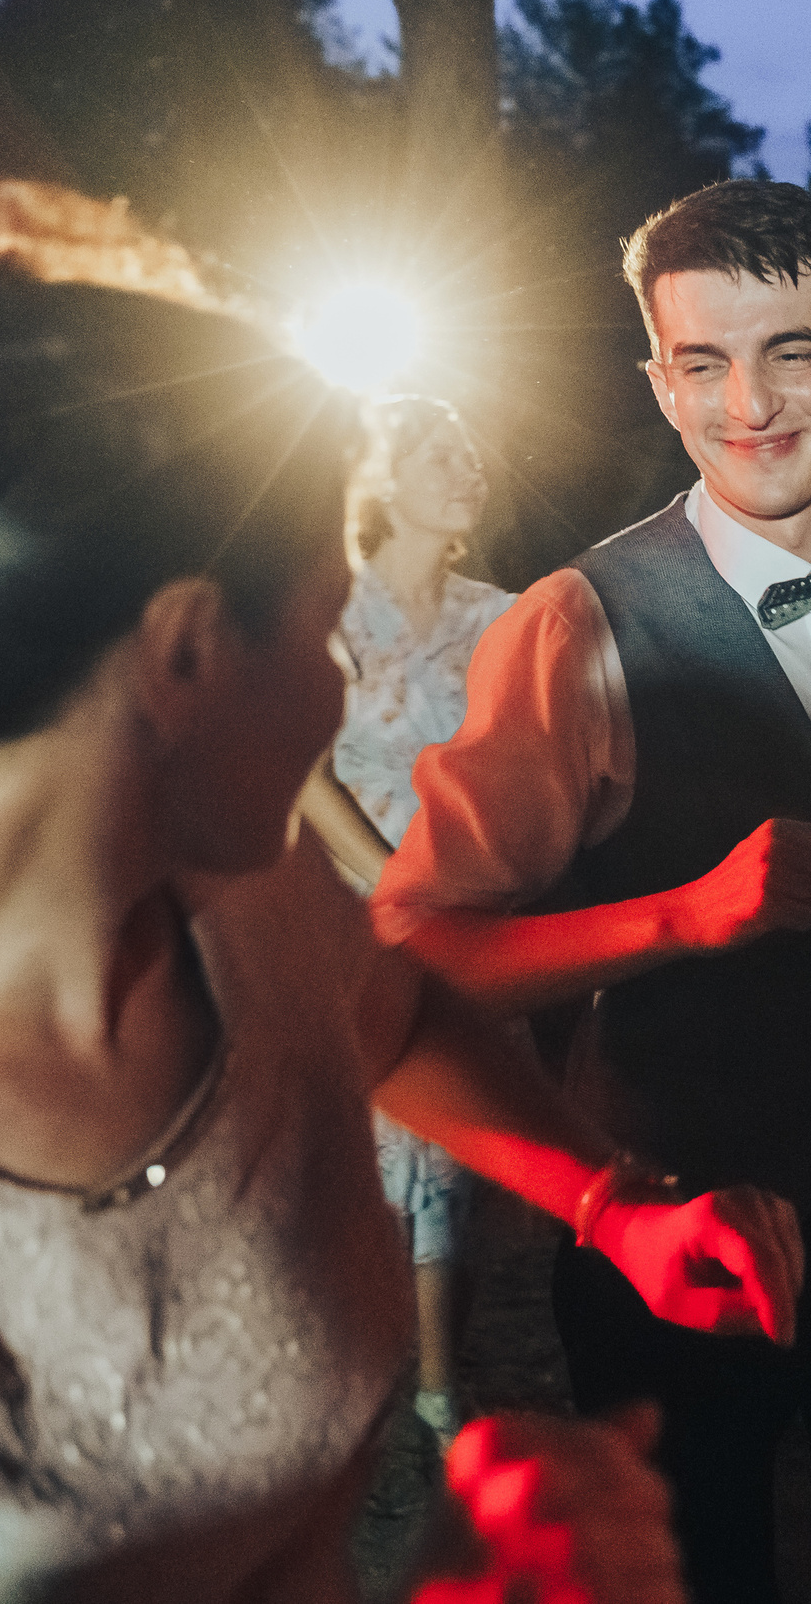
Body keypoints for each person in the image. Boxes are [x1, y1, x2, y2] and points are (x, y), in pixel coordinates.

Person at [0, 174, 797, 1601]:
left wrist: (613, 1200)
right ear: (180, 653)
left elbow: (393, 1010)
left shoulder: (244, 899)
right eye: (319, 625)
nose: (341, 686)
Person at [373, 177, 811, 1604]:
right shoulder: (572, 627)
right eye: (703, 361)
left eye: (790, 352)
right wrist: (679, 915)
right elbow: (414, 958)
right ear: (659, 382)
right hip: (667, 1217)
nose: (748, 403)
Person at [297, 394, 517, 1446]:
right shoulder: (324, 612)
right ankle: (395, 1389)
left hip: (465, 920)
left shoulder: (504, 621)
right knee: (377, 1144)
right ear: (380, 479)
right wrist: (391, 885)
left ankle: (423, 1385)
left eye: (467, 449)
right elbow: (298, 769)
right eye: (437, 451)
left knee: (452, 1153)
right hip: (342, 914)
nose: (464, 465)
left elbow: (535, 771)